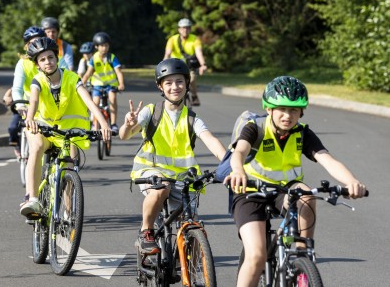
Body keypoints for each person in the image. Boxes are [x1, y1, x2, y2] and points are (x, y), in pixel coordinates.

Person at [224, 76, 367, 287]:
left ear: (302, 111)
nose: (287, 115)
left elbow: (327, 160)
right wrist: (238, 170)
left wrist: (351, 181)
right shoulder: (256, 127)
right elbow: (240, 151)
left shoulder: (302, 133)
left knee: (307, 194)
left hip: (286, 190)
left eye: (294, 110)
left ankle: (303, 254)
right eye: (281, 108)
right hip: (249, 190)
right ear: (268, 108)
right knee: (256, 256)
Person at [119, 58, 226, 254]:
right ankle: (146, 232)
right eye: (168, 82)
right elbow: (125, 135)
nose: (174, 87)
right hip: (151, 171)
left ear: (187, 84)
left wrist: (229, 163)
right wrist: (128, 123)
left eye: (179, 81)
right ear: (160, 86)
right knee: (161, 188)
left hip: (183, 178)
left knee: (193, 229)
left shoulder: (192, 118)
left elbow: (210, 140)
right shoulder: (151, 112)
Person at [20, 37, 111, 217]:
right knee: (37, 147)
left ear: (57, 58)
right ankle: (32, 199)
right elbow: (34, 101)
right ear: (37, 65)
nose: (48, 62)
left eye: (51, 57)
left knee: (69, 168)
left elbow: (88, 100)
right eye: (43, 59)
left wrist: (103, 124)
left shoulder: (71, 77)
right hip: (42, 128)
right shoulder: (37, 81)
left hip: (67, 131)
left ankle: (69, 215)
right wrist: (30, 118)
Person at [9, 26, 47, 158]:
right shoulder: (22, 63)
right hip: (30, 108)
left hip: (52, 108)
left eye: (39, 41)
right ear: (26, 46)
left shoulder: (53, 59)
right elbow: (17, 88)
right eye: (32, 43)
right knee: (36, 146)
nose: (36, 46)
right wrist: (20, 105)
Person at [81, 32, 125, 136]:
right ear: (96, 47)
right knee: (95, 103)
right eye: (101, 46)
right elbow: (88, 73)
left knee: (112, 99)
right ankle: (95, 125)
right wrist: (81, 83)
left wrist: (121, 84)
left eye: (106, 45)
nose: (104, 48)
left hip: (111, 84)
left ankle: (113, 124)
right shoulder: (94, 58)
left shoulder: (112, 57)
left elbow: (118, 72)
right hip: (97, 85)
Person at [163, 18, 208, 106]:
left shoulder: (195, 39)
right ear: (179, 29)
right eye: (183, 28)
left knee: (192, 79)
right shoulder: (172, 39)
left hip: (188, 66)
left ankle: (194, 95)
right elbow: (167, 54)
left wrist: (203, 65)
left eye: (187, 28)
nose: (185, 30)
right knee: (173, 82)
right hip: (174, 66)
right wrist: (164, 65)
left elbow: (199, 53)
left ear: (190, 29)